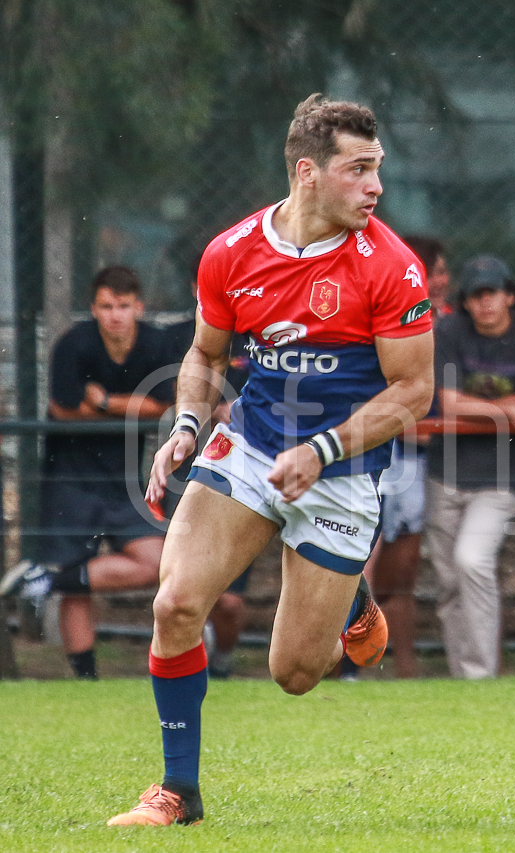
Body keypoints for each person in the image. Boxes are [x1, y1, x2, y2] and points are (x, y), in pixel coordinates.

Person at [104, 94, 435, 827]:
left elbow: (414, 391)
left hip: (340, 471)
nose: (375, 186)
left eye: (377, 168)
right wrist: (187, 425)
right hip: (250, 447)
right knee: (175, 603)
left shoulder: (392, 267)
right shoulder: (232, 252)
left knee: (293, 674)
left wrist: (320, 451)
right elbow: (205, 354)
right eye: (359, 170)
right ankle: (177, 791)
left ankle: (351, 596)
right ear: (308, 172)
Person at [0, 266, 174, 679]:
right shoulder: (73, 343)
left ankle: (47, 581)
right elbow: (63, 408)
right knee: (76, 575)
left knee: (160, 563)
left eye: (124, 306)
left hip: (128, 479)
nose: (115, 315)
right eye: (106, 306)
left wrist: (103, 403)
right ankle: (86, 679)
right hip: (70, 478)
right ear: (94, 308)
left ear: (139, 307)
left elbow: (164, 406)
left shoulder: (156, 344)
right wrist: (129, 404)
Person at [426, 255, 515, 679]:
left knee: (472, 559)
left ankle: (480, 675)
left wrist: (483, 410)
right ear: (464, 303)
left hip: (505, 476)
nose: (485, 304)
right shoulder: (448, 331)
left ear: (510, 296)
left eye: (492, 294)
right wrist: (509, 413)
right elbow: (448, 402)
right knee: (448, 582)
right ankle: (462, 674)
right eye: (475, 296)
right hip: (444, 471)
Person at [357, 235, 451, 679]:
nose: (443, 281)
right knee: (361, 559)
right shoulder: (377, 318)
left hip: (412, 462)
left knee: (404, 567)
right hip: (372, 455)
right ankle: (351, 665)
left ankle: (404, 664)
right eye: (436, 272)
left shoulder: (443, 326)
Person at [163, 270, 255, 680]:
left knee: (231, 604)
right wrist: (190, 421)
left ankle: (222, 660)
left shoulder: (265, 330)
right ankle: (189, 671)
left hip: (263, 470)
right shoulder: (183, 339)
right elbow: (175, 388)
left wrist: (239, 410)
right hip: (201, 470)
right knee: (178, 596)